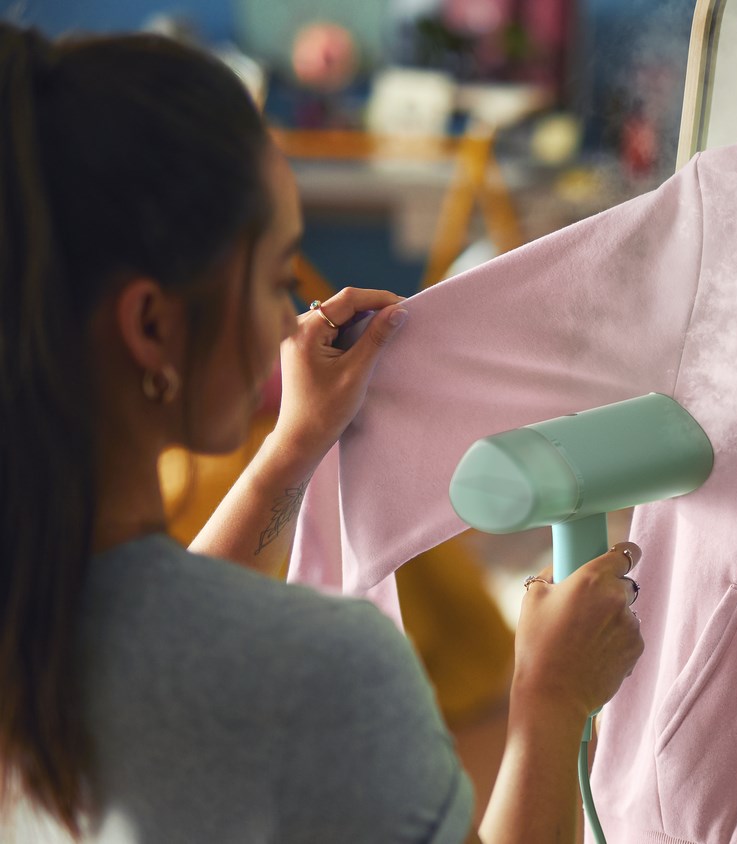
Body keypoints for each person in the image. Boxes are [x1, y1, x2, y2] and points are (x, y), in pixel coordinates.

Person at [0, 24, 644, 843]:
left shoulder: (43, 616)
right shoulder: (317, 673)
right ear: (152, 325)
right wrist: (552, 703)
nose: (287, 320)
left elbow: (161, 624)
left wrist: (292, 447)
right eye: (276, 277)